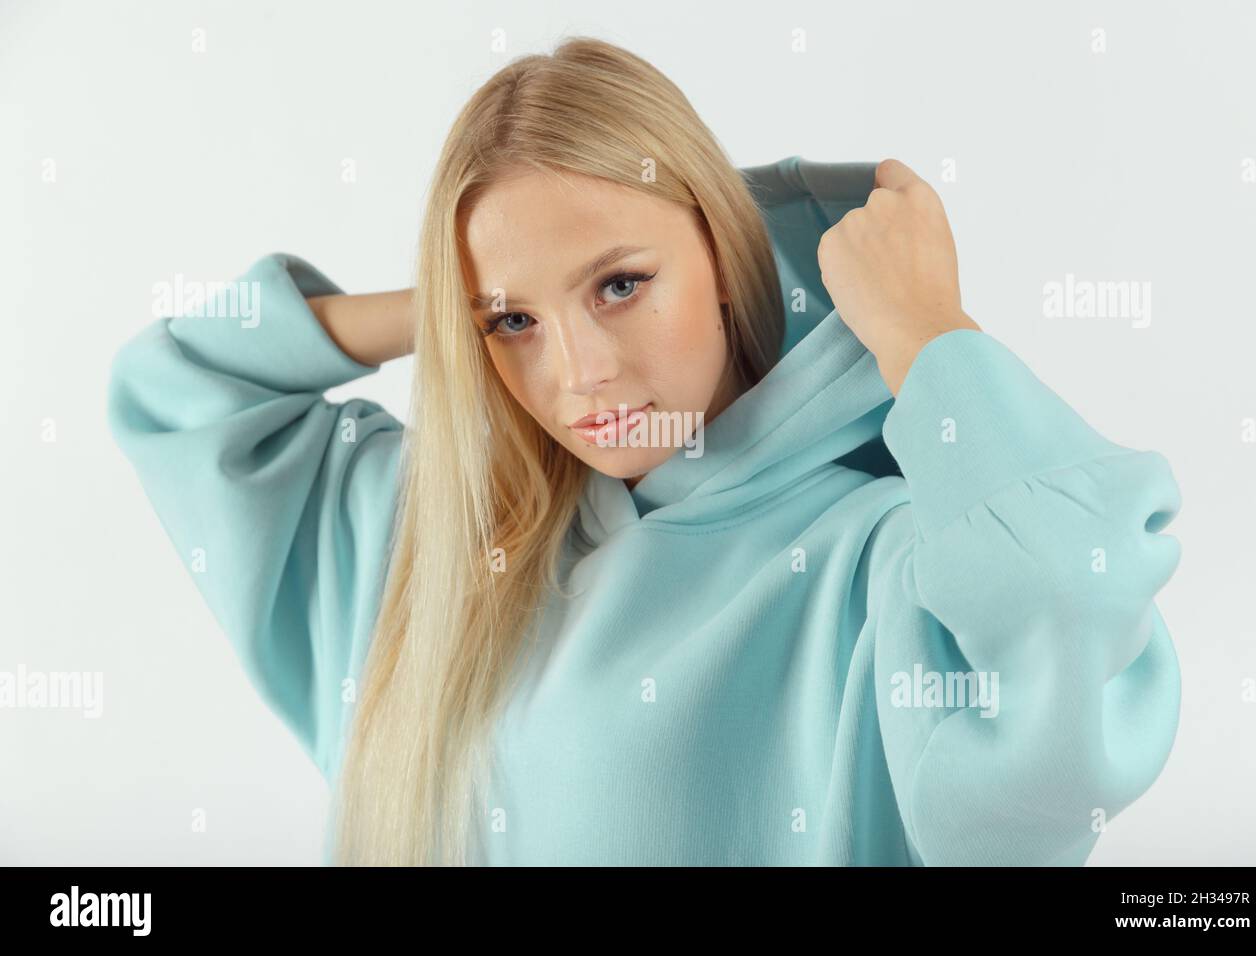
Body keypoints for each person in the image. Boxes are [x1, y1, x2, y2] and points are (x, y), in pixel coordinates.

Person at [107, 36, 1183, 866]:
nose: (580, 374)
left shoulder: (878, 562)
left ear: (724, 252)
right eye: (513, 324)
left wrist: (925, 330)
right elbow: (179, 387)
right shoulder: (429, 541)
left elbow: (1069, 674)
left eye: (619, 283)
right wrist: (446, 307)